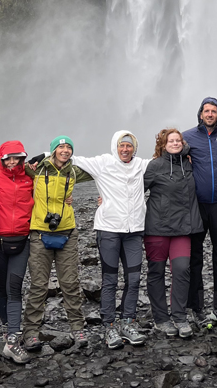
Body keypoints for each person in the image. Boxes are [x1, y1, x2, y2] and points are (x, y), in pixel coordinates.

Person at [72, 131, 150, 349]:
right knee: (110, 280)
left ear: (134, 147)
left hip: (134, 230)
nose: (125, 149)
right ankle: (109, 325)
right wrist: (39, 157)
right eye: (121, 145)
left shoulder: (141, 165)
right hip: (108, 230)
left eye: (129, 146)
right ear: (115, 146)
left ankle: (128, 322)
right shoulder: (103, 163)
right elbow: (70, 158)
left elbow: (165, 161)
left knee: (134, 279)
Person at [22, 136, 94, 351]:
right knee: (38, 286)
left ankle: (77, 328)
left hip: (67, 232)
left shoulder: (75, 172)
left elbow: (106, 171)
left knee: (70, 284)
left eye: (68, 147)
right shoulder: (36, 169)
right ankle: (31, 332)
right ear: (53, 150)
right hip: (39, 233)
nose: (65, 150)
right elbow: (8, 166)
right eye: (60, 147)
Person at [142, 128, 201, 339]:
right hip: (157, 228)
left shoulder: (190, 163)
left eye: (178, 140)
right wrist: (106, 199)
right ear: (163, 144)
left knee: (182, 269)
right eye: (171, 141)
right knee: (156, 272)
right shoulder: (155, 165)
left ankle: (179, 316)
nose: (175, 143)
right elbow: (136, 191)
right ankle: (161, 319)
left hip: (183, 228)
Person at [183, 97, 217, 327]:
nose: (210, 114)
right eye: (207, 111)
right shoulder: (188, 136)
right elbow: (170, 159)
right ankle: (196, 306)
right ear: (200, 113)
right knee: (195, 256)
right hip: (197, 204)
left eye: (214, 111)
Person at [0, 141, 35, 363]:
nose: (13, 161)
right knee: (2, 287)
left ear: (23, 158)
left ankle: (12, 339)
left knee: (14, 287)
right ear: (1, 159)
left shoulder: (30, 179)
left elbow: (54, 184)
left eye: (17, 157)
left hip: (22, 240)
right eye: (8, 158)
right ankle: (9, 332)